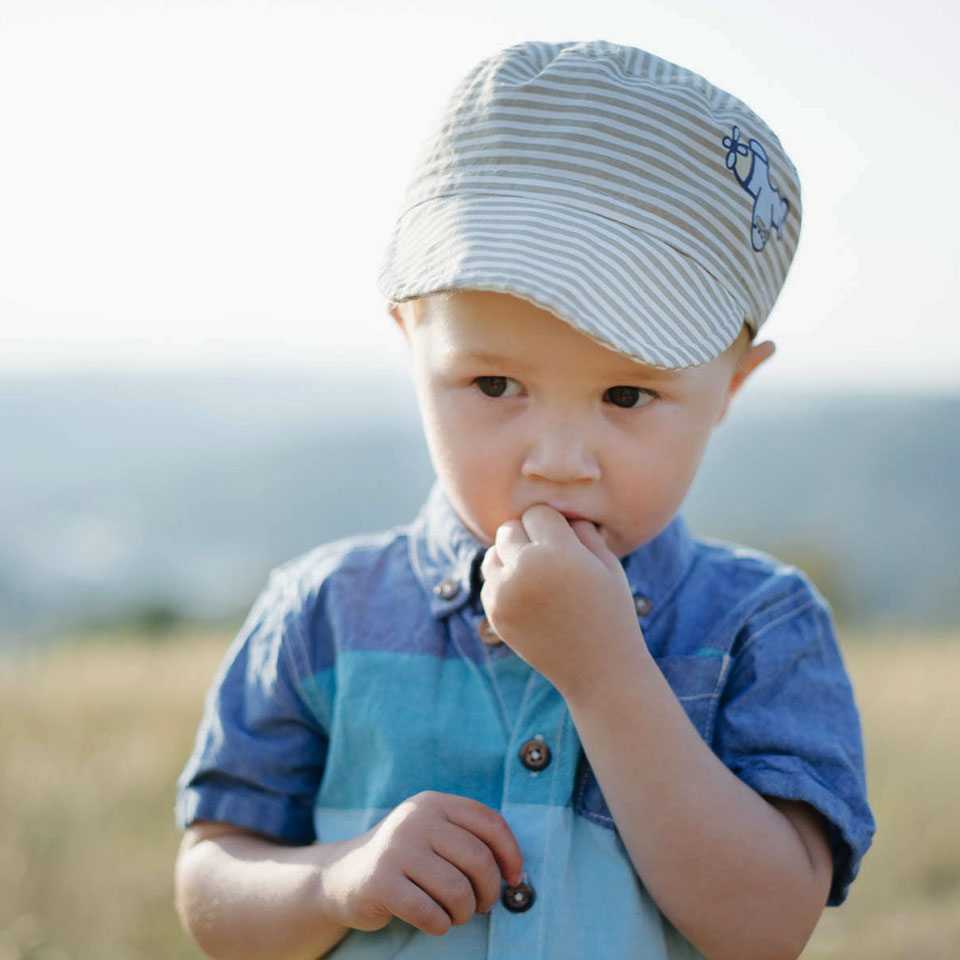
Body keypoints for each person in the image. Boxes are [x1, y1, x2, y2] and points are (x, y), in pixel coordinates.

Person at [173, 39, 874, 960]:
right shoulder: (322, 613)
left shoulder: (759, 627)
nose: (555, 461)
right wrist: (335, 878)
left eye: (627, 396)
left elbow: (767, 927)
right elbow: (210, 879)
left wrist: (605, 674)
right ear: (412, 338)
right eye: (495, 385)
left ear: (733, 385)